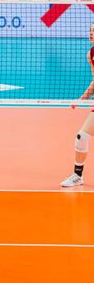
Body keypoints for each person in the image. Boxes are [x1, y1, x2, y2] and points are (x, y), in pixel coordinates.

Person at [61, 24, 94, 187]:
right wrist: (81, 99)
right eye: (90, 31)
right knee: (82, 136)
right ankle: (77, 176)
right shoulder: (91, 54)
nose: (91, 34)